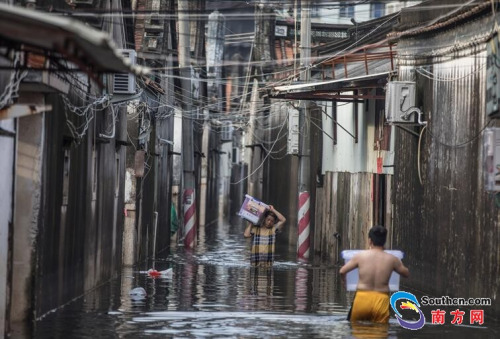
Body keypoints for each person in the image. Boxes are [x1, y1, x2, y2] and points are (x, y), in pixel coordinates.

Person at [339, 225, 410, 323]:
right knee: (380, 332)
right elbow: (406, 273)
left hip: (362, 298)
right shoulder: (392, 259)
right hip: (381, 300)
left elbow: (342, 271)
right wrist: (399, 262)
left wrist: (344, 282)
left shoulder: (360, 256)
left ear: (370, 241)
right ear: (384, 241)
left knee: (357, 331)